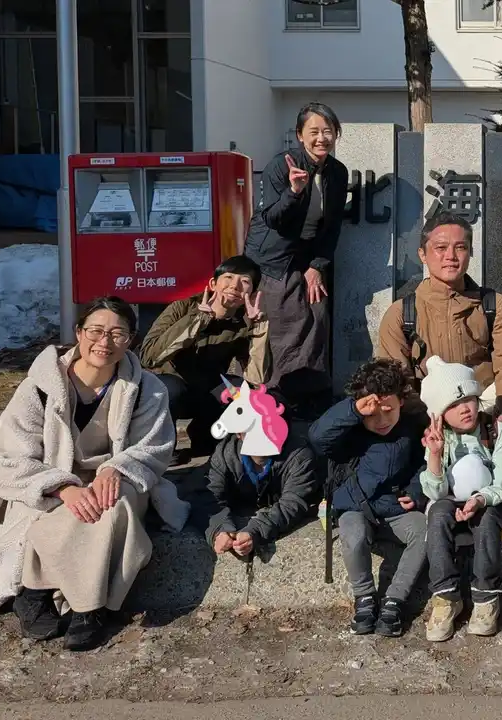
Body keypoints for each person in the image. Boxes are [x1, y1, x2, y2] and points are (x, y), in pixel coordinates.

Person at [0, 297, 184, 651]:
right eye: (95, 331)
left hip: (116, 480)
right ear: (79, 333)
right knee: (67, 510)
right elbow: (9, 456)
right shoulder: (38, 387)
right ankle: (37, 592)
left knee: (116, 505)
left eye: (117, 333)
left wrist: (116, 467)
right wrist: (61, 487)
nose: (104, 342)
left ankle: (87, 607)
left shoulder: (147, 388)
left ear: (130, 340)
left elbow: (155, 447)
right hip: (49, 480)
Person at [376, 212, 502, 446]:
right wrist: (429, 423)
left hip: (485, 415)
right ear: (422, 254)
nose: (450, 256)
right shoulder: (400, 314)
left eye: (460, 247)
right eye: (440, 248)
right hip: (426, 421)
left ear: (470, 252)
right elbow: (396, 380)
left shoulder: (496, 307)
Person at [307, 359, 426, 638]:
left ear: (401, 402)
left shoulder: (411, 427)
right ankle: (364, 598)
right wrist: (353, 410)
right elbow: (317, 438)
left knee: (424, 530)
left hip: (394, 507)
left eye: (389, 410)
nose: (381, 420)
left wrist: (415, 492)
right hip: (354, 506)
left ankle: (394, 601)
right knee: (353, 535)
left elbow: (422, 465)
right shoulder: (349, 428)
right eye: (372, 413)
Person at [245, 102, 349, 415]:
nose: (321, 138)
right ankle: (275, 395)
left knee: (317, 313)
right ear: (300, 135)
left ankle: (310, 392)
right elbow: (272, 218)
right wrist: (293, 191)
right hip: (273, 258)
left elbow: (332, 226)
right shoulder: (281, 165)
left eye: (328, 131)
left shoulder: (337, 172)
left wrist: (317, 266)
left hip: (307, 255)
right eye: (313, 131)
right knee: (283, 320)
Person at [417, 357, 502, 642]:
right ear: (439, 413)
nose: (464, 409)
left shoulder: (495, 429)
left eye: (468, 400)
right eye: (453, 405)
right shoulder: (438, 437)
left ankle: (485, 597)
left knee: (487, 522)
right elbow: (434, 492)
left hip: (488, 497)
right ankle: (445, 596)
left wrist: (481, 500)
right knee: (437, 516)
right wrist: (435, 455)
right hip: (449, 498)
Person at [140, 255, 269, 461]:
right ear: (213, 284)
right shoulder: (182, 308)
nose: (235, 286)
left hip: (205, 390)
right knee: (170, 389)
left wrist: (258, 329)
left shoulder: (245, 323)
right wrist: (200, 319)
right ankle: (161, 447)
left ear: (252, 292)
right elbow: (149, 357)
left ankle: (205, 440)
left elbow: (256, 378)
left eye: (244, 281)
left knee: (241, 392)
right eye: (228, 277)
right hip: (170, 385)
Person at [204, 380, 320, 559]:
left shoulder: (299, 456)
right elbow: (208, 495)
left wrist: (257, 530)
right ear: (239, 433)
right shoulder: (225, 454)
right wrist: (218, 529)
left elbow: (293, 502)